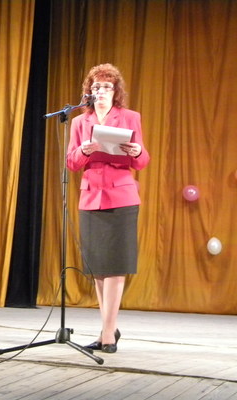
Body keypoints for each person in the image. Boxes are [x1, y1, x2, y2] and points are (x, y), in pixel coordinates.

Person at [66, 63, 150, 353]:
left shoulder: (129, 117)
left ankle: (107, 334)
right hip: (91, 197)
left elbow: (142, 160)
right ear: (89, 91)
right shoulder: (80, 122)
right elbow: (71, 163)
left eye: (106, 87)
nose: (100, 91)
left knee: (115, 267)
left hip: (121, 196)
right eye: (96, 87)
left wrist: (137, 151)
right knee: (99, 269)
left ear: (116, 92)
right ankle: (108, 328)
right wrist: (83, 150)